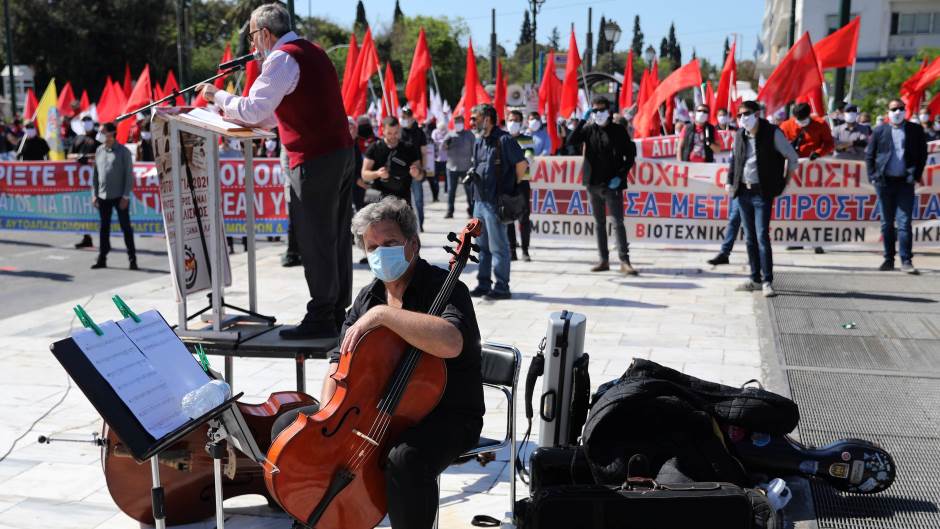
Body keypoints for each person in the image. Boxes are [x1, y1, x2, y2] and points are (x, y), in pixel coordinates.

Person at [299, 196, 483, 529]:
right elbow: (337, 361)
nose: (380, 253)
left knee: (404, 459)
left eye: (390, 243)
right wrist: (330, 416)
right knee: (293, 428)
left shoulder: (445, 288)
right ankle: (317, 518)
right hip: (378, 409)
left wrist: (384, 316)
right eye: (372, 247)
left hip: (447, 414)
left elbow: (452, 342)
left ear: (413, 244)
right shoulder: (368, 296)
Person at [199, 2, 355, 340]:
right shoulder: (312, 50)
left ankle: (322, 315)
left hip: (314, 158)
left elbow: (255, 109)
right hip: (338, 153)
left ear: (265, 33)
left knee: (315, 238)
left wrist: (218, 96)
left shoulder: (281, 58)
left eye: (253, 36)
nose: (253, 46)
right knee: (334, 236)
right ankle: (336, 311)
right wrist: (232, 112)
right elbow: (271, 114)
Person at [726, 101, 800, 298]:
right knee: (749, 238)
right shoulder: (739, 135)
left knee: (761, 236)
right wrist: (729, 181)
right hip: (743, 192)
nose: (743, 118)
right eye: (739, 114)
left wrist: (785, 182)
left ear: (757, 114)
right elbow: (734, 160)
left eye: (747, 113)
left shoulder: (772, 133)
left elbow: (792, 157)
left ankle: (767, 280)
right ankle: (754, 279)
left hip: (762, 193)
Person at [568, 96, 638, 275]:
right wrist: (583, 120)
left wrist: (621, 176)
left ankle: (624, 260)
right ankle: (603, 260)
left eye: (601, 110)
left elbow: (630, 156)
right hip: (593, 183)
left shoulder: (619, 131)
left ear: (609, 111)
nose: (598, 114)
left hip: (613, 184)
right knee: (599, 223)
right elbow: (571, 141)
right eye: (595, 110)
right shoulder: (589, 129)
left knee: (617, 222)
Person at [468, 104, 527, 300]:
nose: (473, 122)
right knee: (482, 246)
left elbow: (521, 165)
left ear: (487, 118)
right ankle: (484, 284)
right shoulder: (479, 141)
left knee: (499, 247)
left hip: (495, 203)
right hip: (479, 201)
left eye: (475, 118)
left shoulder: (505, 140)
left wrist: (513, 186)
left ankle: (502, 287)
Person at [865, 99, 928, 274]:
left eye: (901, 108)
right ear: (888, 112)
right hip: (884, 183)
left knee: (904, 223)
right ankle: (888, 259)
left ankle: (906, 260)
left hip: (905, 183)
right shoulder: (879, 131)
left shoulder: (915, 130)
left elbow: (922, 154)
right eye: (894, 109)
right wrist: (873, 176)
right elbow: (870, 155)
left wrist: (915, 175)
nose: (898, 112)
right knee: (886, 223)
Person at [90, 122, 137, 270]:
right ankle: (102, 258)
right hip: (103, 196)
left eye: (103, 132)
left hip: (120, 197)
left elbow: (129, 176)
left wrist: (126, 196)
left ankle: (132, 259)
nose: (100, 134)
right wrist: (94, 194)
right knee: (104, 228)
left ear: (111, 133)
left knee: (125, 228)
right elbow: (95, 176)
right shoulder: (99, 150)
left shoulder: (123, 152)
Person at [362, 116, 423, 208]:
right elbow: (364, 175)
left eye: (396, 133)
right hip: (376, 197)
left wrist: (417, 173)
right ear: (383, 130)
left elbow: (420, 175)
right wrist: (378, 173)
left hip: (401, 198)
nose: (393, 136)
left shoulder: (409, 148)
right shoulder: (374, 148)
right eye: (389, 133)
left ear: (399, 129)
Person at [506, 110, 533, 262]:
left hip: (522, 182)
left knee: (524, 217)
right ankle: (512, 250)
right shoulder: (503, 139)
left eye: (516, 120)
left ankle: (525, 250)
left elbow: (529, 157)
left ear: (521, 122)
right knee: (508, 218)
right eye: (510, 120)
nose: (513, 123)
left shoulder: (527, 139)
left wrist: (525, 159)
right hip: (507, 183)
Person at [443, 115, 475, 218]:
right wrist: (446, 144)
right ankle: (450, 211)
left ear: (463, 122)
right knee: (451, 190)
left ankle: (471, 211)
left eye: (460, 121)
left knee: (469, 191)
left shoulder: (469, 135)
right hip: (451, 167)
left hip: (466, 168)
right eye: (456, 122)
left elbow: (475, 149)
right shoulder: (450, 135)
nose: (458, 124)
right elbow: (442, 148)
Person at [431, 121, 449, 198]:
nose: (442, 130)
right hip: (436, 159)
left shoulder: (447, 132)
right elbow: (433, 141)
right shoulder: (435, 132)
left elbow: (448, 142)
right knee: (435, 177)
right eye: (440, 128)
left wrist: (443, 143)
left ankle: (446, 191)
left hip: (446, 159)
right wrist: (442, 142)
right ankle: (436, 194)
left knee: (446, 176)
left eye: (443, 128)